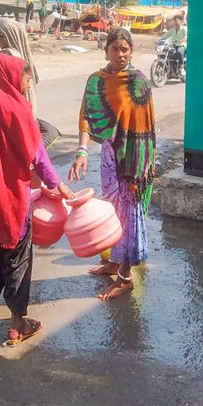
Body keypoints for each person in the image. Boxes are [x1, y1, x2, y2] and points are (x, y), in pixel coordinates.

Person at [0, 53, 74, 345]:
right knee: (18, 260)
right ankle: (18, 324)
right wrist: (58, 185)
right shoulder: (19, 109)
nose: (29, 81)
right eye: (27, 75)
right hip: (12, 202)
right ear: (11, 76)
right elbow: (38, 155)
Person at [69, 28, 156, 301]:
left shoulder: (138, 82)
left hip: (132, 161)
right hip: (108, 156)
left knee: (129, 214)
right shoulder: (96, 80)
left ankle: (125, 277)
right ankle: (114, 262)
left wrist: (137, 171)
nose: (120, 54)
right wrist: (82, 150)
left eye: (125, 49)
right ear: (106, 49)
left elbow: (145, 128)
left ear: (131, 51)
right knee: (111, 212)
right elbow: (86, 116)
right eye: (115, 48)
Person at [0, 18, 40, 117]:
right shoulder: (23, 56)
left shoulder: (5, 58)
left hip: (13, 111)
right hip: (26, 108)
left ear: (6, 37)